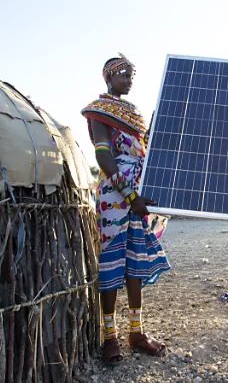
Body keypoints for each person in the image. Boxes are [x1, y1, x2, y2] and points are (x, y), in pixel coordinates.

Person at [81, 54, 171, 366]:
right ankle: (109, 336)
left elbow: (144, 148)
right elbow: (104, 158)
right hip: (116, 196)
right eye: (123, 74)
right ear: (108, 77)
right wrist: (130, 195)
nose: (129, 80)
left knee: (135, 261)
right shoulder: (100, 111)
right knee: (110, 264)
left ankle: (136, 332)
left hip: (137, 198)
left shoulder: (134, 115)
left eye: (132, 75)